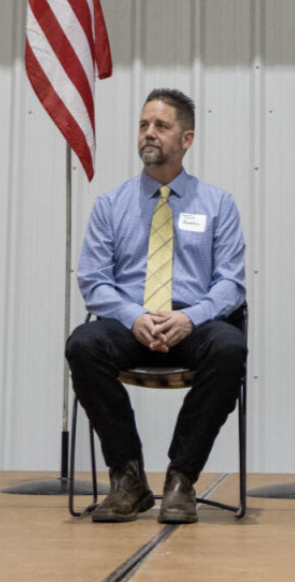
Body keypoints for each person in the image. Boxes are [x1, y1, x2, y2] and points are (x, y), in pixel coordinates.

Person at [68, 90, 248, 524]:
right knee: (83, 345)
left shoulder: (217, 203)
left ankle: (181, 480)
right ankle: (127, 478)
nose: (149, 133)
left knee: (229, 349)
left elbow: (231, 282)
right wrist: (135, 317)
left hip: (192, 322)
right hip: (129, 322)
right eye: (144, 125)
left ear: (186, 139)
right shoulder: (111, 205)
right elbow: (93, 280)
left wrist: (189, 317)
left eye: (161, 126)